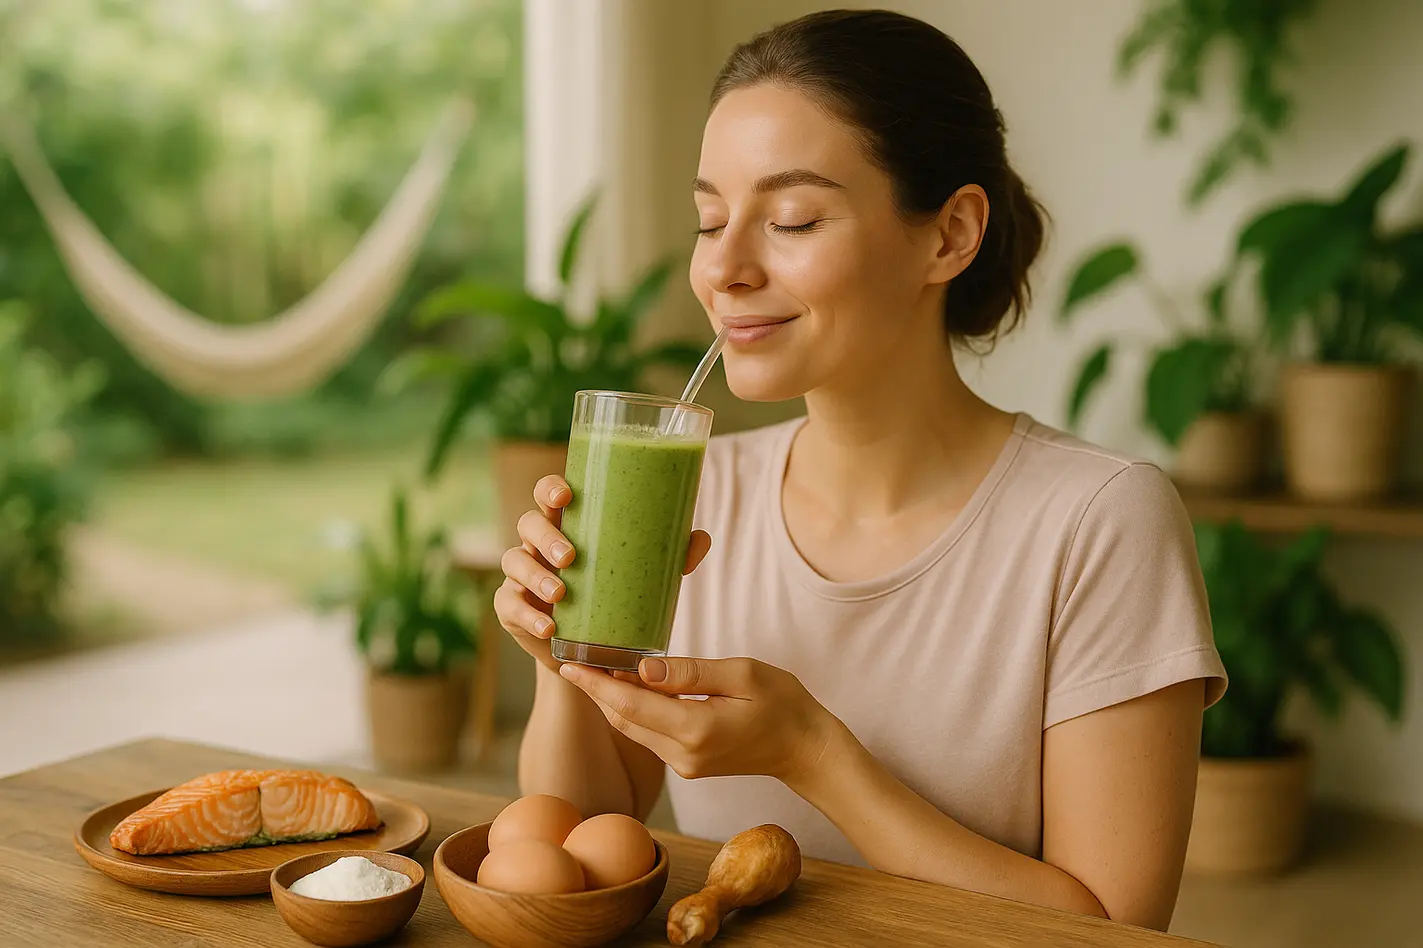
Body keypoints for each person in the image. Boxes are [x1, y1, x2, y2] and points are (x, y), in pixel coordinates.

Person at [494, 8, 1227, 933]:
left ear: (949, 235)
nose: (723, 267)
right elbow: (579, 829)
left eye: (792, 218)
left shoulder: (1097, 520)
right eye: (709, 218)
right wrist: (564, 658)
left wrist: (812, 753)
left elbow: (1113, 927)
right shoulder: (698, 490)